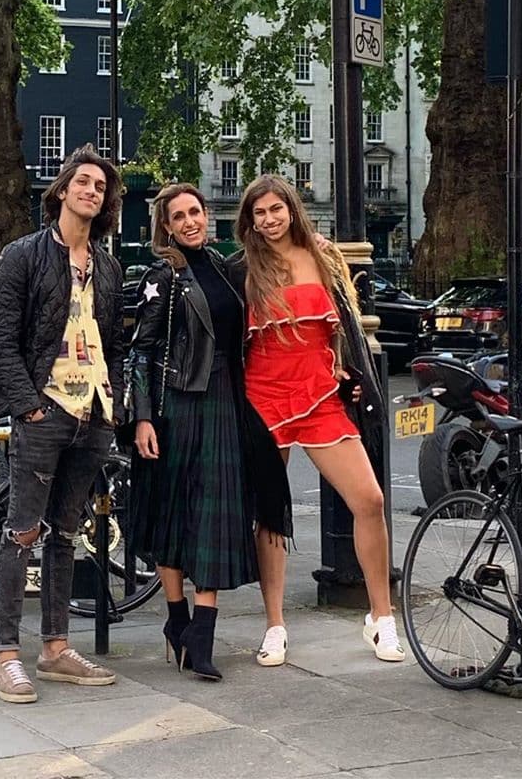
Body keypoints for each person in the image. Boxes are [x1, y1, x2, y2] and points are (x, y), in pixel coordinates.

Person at [233, 174, 404, 666]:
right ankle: (274, 625)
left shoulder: (326, 257)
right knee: (270, 514)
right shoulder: (244, 267)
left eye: (275, 209)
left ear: (292, 208)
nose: (268, 220)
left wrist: (352, 373)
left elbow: (346, 327)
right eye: (259, 213)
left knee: (369, 500)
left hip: (321, 393)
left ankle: (381, 617)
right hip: (263, 396)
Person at [0, 144, 125, 704]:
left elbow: (113, 342)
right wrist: (29, 406)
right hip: (46, 410)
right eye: (83, 182)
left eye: (101, 186)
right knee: (22, 533)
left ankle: (56, 649)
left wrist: (115, 400)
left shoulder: (108, 267)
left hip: (95, 414)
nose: (92, 191)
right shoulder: (23, 255)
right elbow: (1, 338)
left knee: (66, 534)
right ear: (62, 190)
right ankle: (6, 656)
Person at [128, 184, 291, 681]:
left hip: (227, 400)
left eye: (195, 212)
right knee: (175, 513)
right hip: (178, 402)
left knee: (215, 516)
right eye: (178, 217)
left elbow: (274, 259)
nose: (190, 222)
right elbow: (140, 349)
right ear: (167, 228)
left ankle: (202, 632)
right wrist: (141, 417)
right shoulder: (163, 276)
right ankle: (178, 618)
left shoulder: (224, 267)